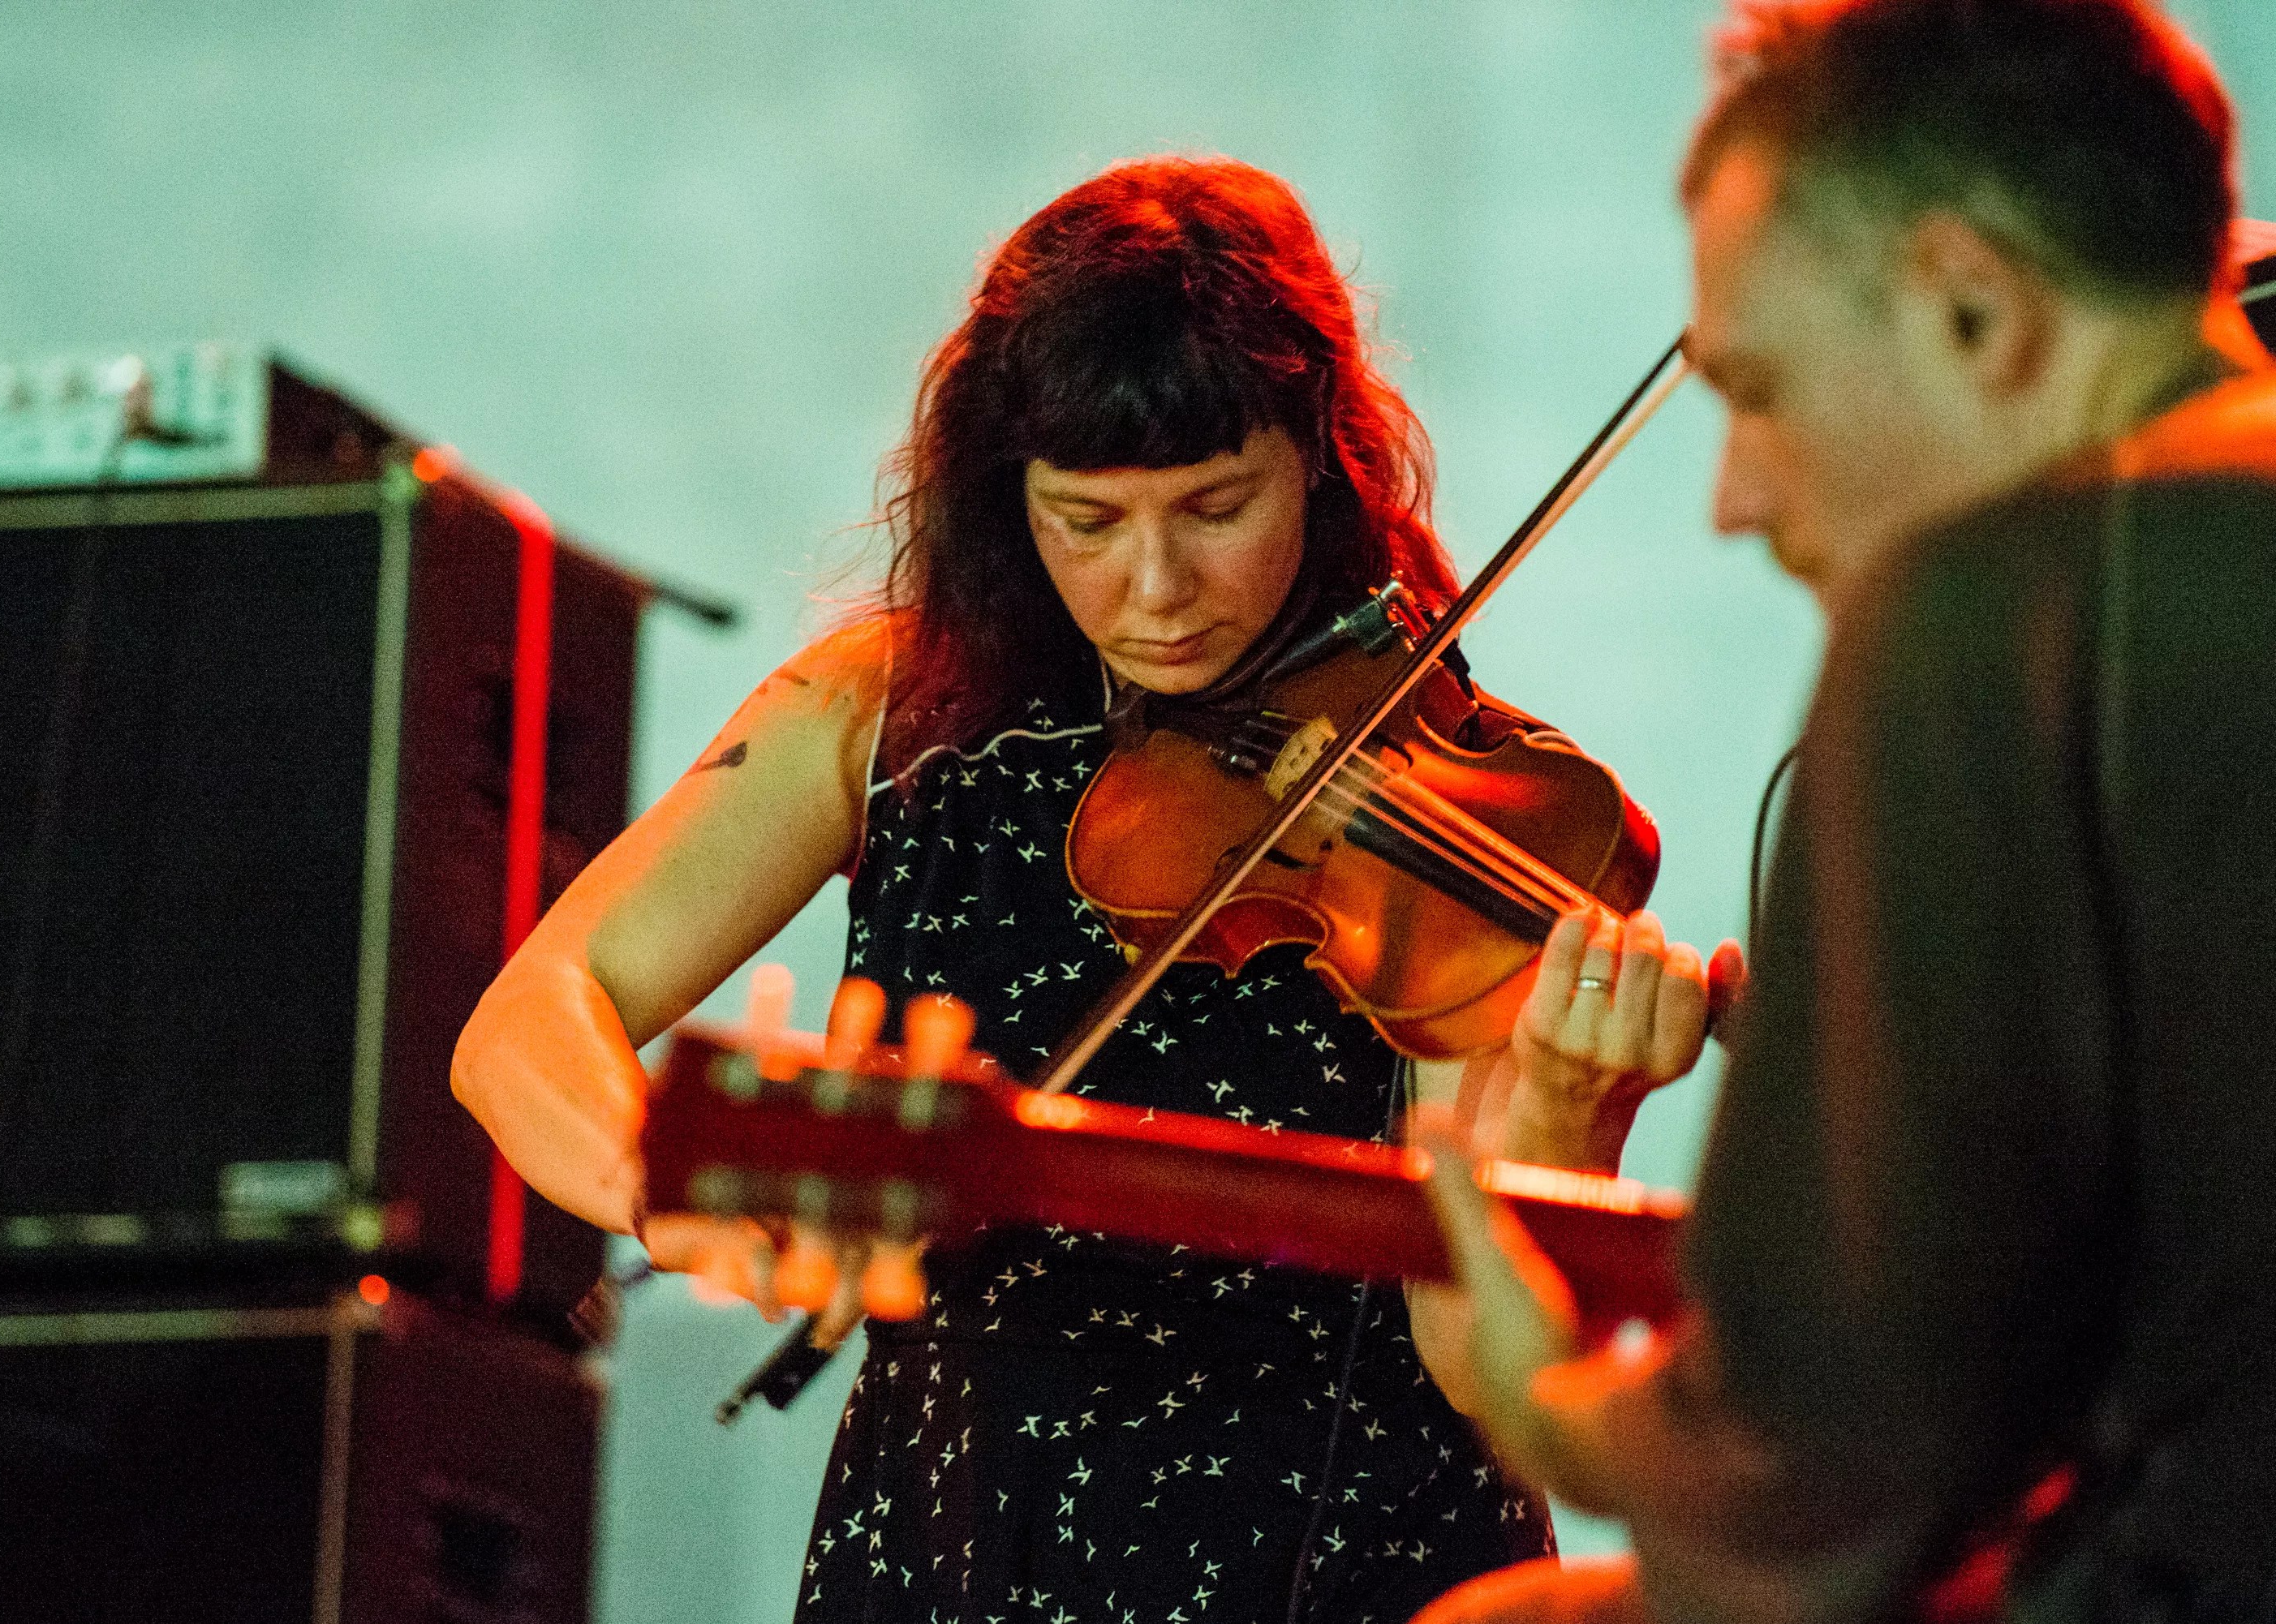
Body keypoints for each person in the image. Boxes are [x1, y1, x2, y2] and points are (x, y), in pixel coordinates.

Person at [452, 155, 1723, 1624]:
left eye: (1215, 505)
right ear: (1011, 498)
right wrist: (681, 1210)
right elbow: (527, 1020)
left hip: (1348, 1561)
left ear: (1320, 449)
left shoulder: (1462, 801)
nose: (1157, 586)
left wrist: (1567, 1109)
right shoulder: (881, 716)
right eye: (1088, 521)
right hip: (959, 1553)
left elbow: (1470, 1355)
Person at [1412, 2, 2276, 1621]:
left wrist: (1557, 1411)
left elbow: (1824, 1468)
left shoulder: (2005, 602)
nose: (1736, 497)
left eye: (1760, 388)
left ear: (1972, 305)